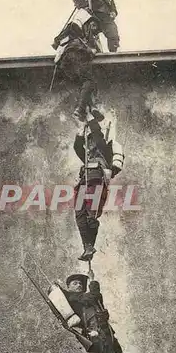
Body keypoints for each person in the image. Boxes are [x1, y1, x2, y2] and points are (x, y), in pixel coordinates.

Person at [74, 109, 124, 261]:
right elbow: (77, 147)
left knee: (91, 214)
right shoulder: (88, 157)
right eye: (88, 142)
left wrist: (89, 118)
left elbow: (98, 136)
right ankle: (87, 247)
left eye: (91, 141)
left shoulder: (104, 150)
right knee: (79, 215)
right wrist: (81, 129)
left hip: (96, 179)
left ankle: (90, 244)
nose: (89, 144)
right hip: (84, 180)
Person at [53, 9, 104, 122]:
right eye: (94, 26)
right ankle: (80, 109)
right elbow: (75, 46)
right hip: (73, 57)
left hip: (66, 64)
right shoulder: (76, 29)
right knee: (90, 81)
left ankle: (92, 107)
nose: (94, 30)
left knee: (85, 84)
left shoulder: (76, 32)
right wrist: (90, 51)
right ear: (90, 22)